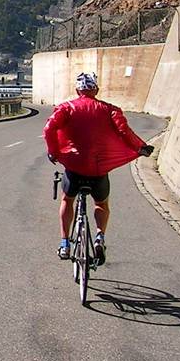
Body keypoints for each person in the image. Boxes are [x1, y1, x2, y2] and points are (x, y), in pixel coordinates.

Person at [44, 72, 153, 264]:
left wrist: (53, 151)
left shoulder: (66, 108)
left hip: (75, 166)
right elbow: (124, 131)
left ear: (77, 90)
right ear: (96, 90)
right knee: (101, 204)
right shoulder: (110, 110)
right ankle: (100, 237)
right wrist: (140, 147)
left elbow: (49, 129)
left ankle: (65, 244)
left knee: (67, 200)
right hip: (98, 169)